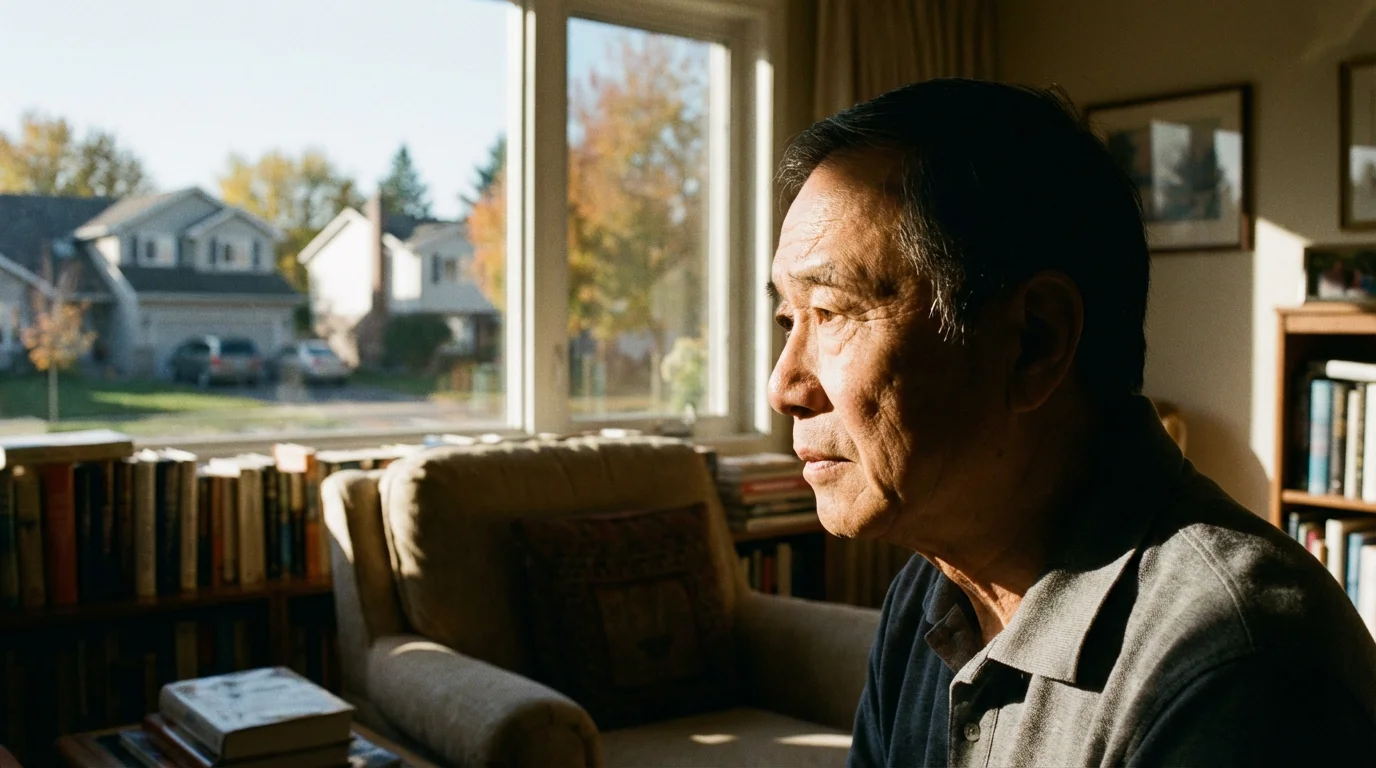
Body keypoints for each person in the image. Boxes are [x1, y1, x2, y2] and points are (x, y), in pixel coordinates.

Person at [767, 79, 1376, 766]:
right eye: (788, 320)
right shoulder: (933, 591)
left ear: (1032, 342)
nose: (783, 386)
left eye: (834, 312)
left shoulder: (1241, 671)